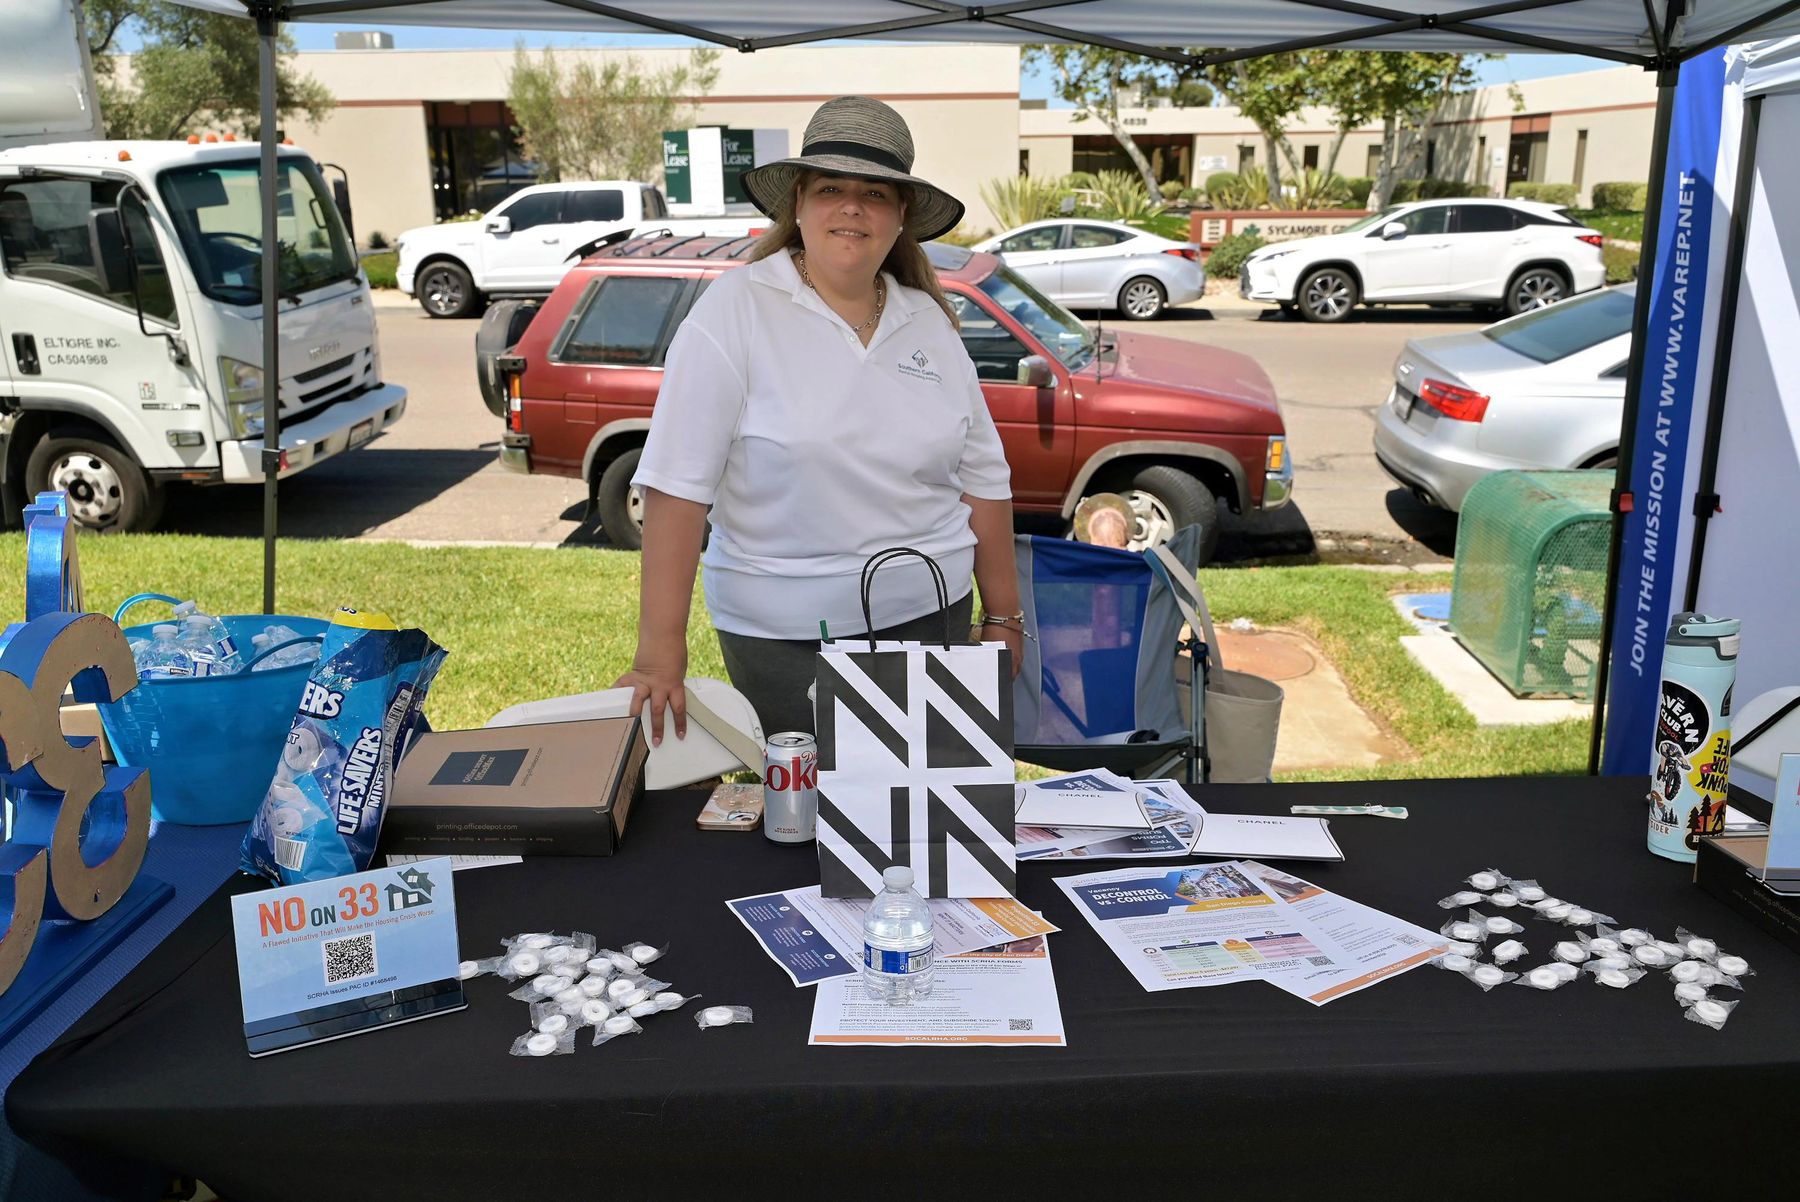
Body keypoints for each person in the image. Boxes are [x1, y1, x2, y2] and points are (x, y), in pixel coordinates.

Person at [616, 96, 1023, 744]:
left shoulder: (930, 321)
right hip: (784, 641)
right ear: (798, 204)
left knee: (925, 803)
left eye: (875, 193)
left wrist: (1003, 616)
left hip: (935, 618)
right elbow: (676, 487)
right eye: (831, 187)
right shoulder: (734, 310)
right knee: (810, 802)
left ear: (901, 217)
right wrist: (658, 655)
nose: (852, 207)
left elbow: (984, 479)